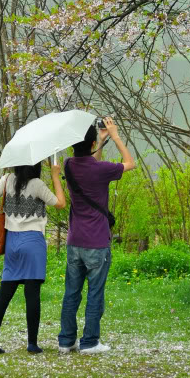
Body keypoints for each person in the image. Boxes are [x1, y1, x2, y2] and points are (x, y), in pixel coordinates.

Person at [58, 116, 135, 355]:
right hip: (97, 242)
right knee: (94, 293)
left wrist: (99, 141)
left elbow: (89, 163)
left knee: (71, 292)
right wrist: (114, 136)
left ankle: (66, 341)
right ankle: (90, 342)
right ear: (92, 145)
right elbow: (130, 163)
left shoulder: (69, 165)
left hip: (75, 242)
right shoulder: (102, 170)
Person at [0, 161, 66, 354]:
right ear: (35, 166)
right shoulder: (37, 184)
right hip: (33, 241)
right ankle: (32, 344)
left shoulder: (6, 180)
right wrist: (55, 176)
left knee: (5, 293)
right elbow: (60, 203)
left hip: (12, 242)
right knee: (32, 293)